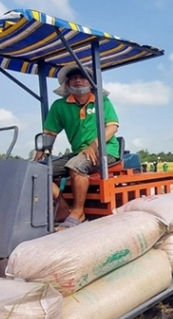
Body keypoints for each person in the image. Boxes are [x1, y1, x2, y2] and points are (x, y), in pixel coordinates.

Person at [34, 65, 120, 231]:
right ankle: (63, 210)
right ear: (67, 83)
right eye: (73, 77)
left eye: (83, 77)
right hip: (78, 152)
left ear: (90, 82)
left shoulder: (102, 101)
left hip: (105, 150)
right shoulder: (60, 106)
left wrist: (93, 146)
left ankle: (79, 213)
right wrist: (39, 152)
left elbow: (112, 127)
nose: (78, 80)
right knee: (36, 170)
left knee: (76, 165)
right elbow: (49, 133)